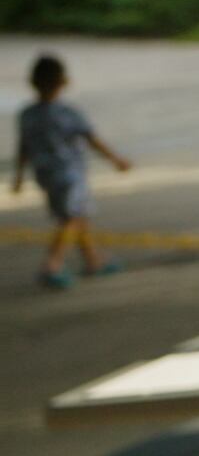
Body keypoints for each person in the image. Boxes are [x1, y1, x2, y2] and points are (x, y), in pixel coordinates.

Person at [14, 53, 132, 289]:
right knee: (71, 217)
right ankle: (53, 263)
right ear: (63, 81)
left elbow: (23, 147)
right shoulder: (67, 112)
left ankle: (93, 260)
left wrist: (18, 176)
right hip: (70, 173)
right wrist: (116, 160)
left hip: (45, 175)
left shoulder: (27, 115)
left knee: (78, 215)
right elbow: (91, 139)